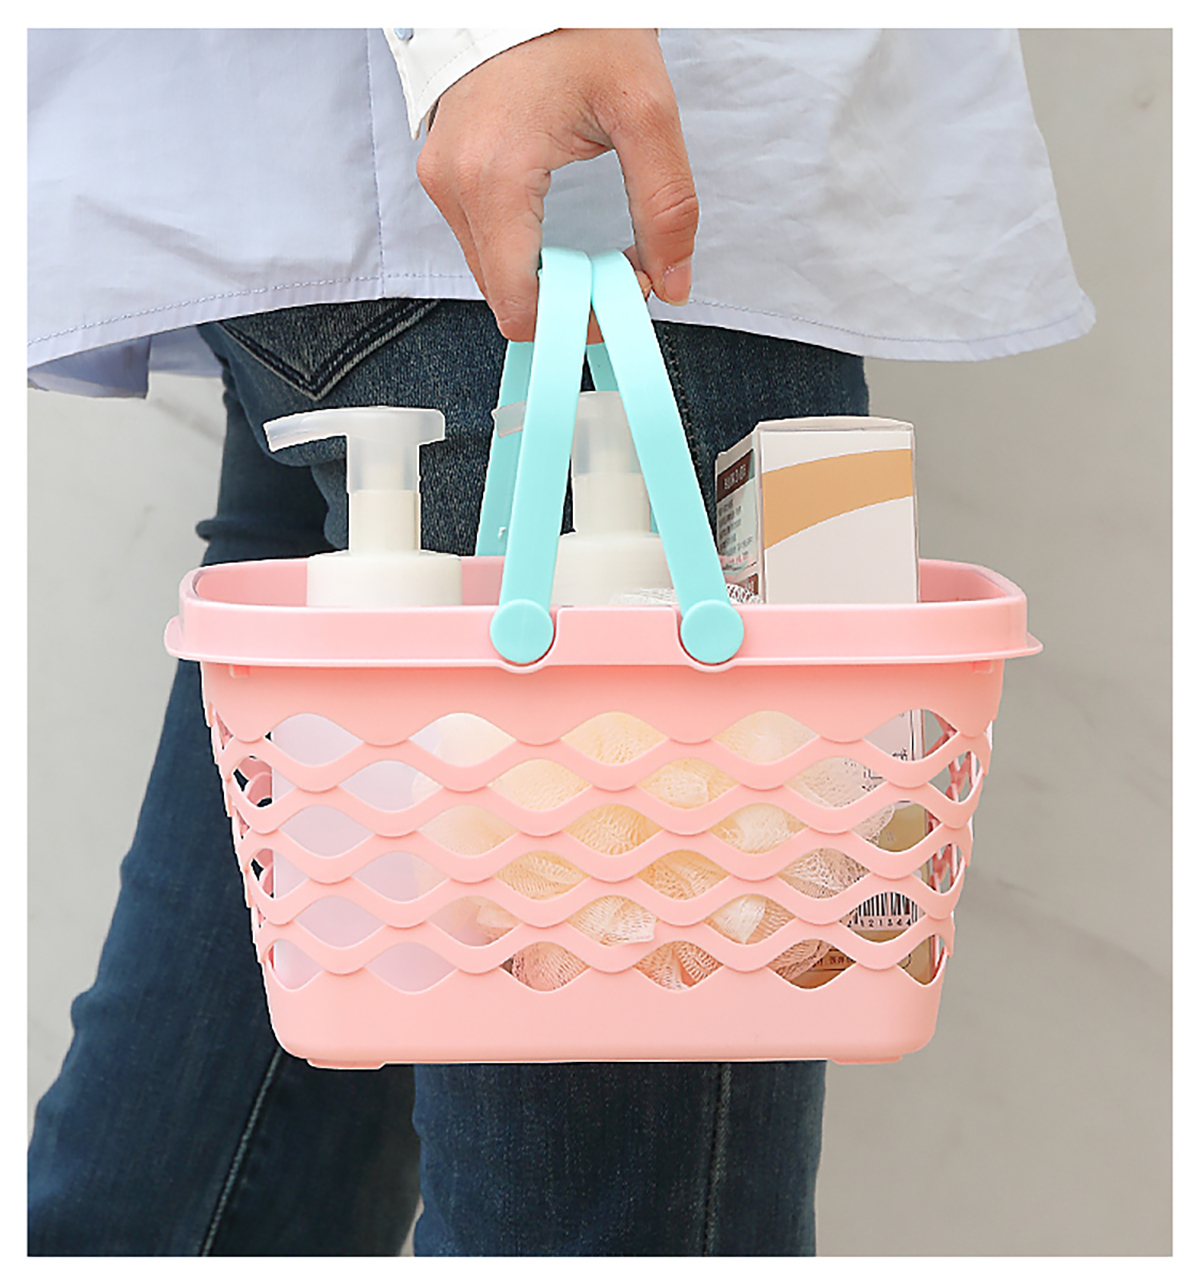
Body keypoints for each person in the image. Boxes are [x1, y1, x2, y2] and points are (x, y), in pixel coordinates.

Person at [26, 28, 1093, 1256]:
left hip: (330, 222)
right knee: (604, 1232)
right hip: (557, 185)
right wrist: (509, 27)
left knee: (190, 1193)